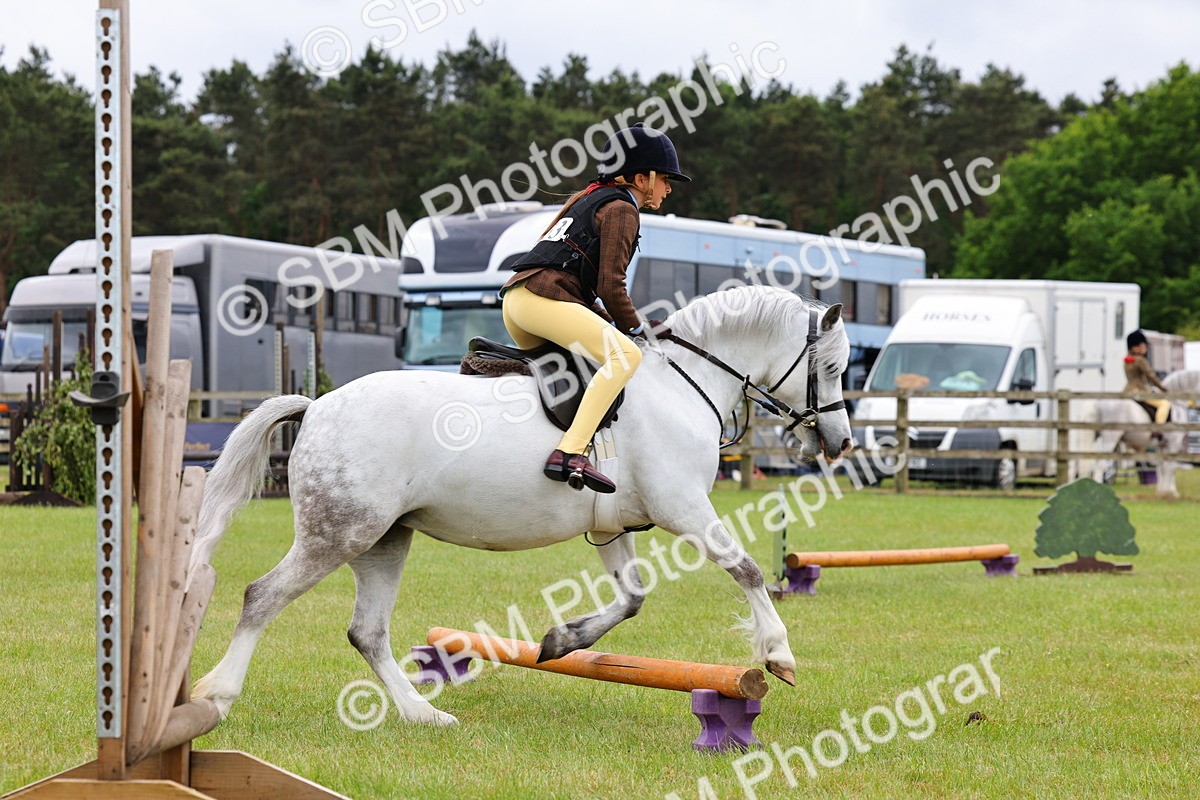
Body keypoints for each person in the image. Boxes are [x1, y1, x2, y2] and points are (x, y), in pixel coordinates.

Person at [499, 123, 690, 493]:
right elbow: (610, 286)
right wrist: (636, 328)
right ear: (641, 178)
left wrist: (616, 322)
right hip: (543, 300)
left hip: (519, 301)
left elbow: (585, 291)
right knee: (625, 357)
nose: (668, 188)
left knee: (579, 373)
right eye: (665, 179)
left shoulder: (589, 197)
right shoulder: (622, 209)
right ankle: (570, 453)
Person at [1124, 330, 1170, 435]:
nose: (1144, 347)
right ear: (1134, 347)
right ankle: (1158, 430)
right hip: (1140, 391)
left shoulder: (1127, 360)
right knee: (1164, 404)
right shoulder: (1140, 360)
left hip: (1127, 390)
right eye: (1142, 345)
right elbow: (1151, 375)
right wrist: (1162, 387)